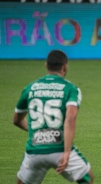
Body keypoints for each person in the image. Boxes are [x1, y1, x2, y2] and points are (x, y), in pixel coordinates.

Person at [13, 50, 94, 184]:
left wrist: (39, 132)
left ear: (46, 66)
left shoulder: (30, 88)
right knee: (88, 178)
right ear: (65, 66)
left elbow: (16, 120)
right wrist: (67, 153)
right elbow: (70, 118)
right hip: (59, 149)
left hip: (34, 150)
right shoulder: (70, 89)